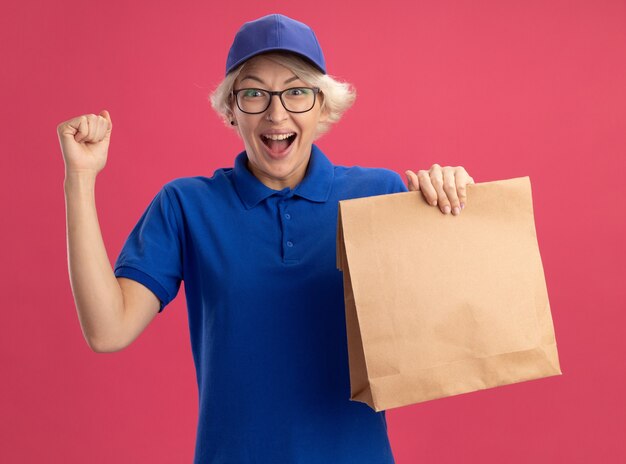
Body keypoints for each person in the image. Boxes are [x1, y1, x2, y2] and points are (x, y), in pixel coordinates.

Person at [58, 13, 474, 464]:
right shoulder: (186, 205)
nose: (276, 113)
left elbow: (445, 324)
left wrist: (452, 204)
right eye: (254, 93)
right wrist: (79, 179)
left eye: (296, 91)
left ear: (322, 106)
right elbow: (107, 329)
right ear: (231, 110)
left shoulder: (378, 194)